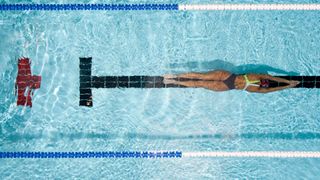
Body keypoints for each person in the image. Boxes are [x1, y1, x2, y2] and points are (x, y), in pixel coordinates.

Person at [163, 70, 300, 93]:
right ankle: (173, 80)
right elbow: (273, 86)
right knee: (200, 81)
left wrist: (288, 83)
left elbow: (273, 80)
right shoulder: (258, 89)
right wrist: (287, 85)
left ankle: (173, 78)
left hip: (228, 79)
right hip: (228, 84)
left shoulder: (257, 76)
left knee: (200, 78)